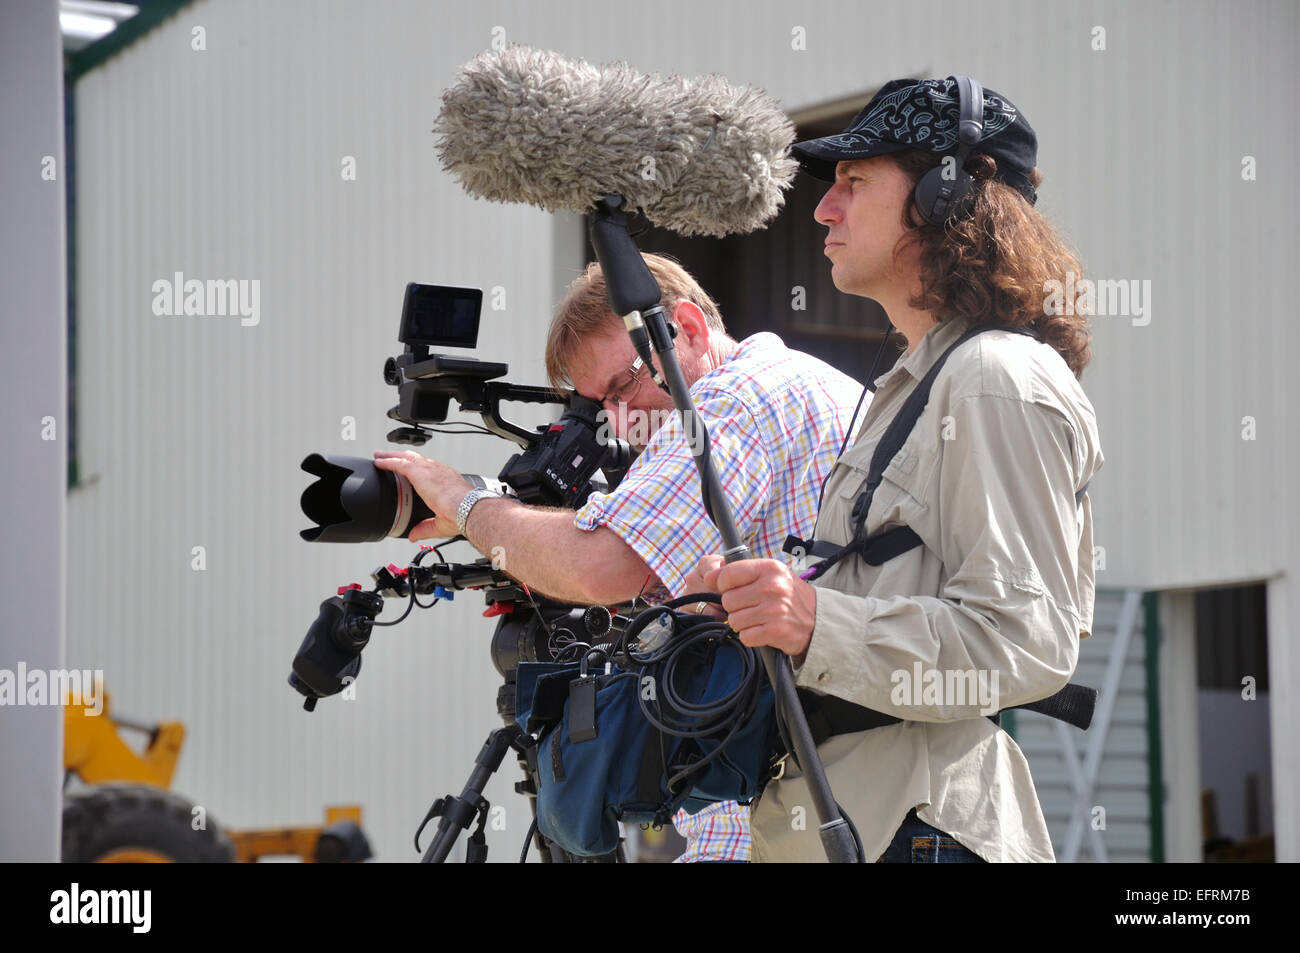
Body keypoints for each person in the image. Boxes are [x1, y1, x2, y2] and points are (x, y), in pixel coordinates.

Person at [696, 77, 1104, 862]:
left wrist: (815, 622)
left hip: (913, 830)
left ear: (946, 197)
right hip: (852, 824)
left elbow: (1025, 639)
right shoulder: (917, 384)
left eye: (854, 183)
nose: (823, 208)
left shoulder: (994, 378)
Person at [374, 252, 864, 861]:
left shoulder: (729, 402)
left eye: (624, 384)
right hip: (834, 799)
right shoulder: (803, 379)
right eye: (598, 404)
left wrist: (465, 504)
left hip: (788, 825)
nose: (620, 421)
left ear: (685, 326)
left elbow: (601, 566)